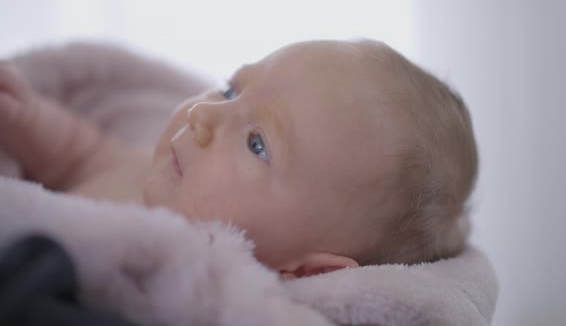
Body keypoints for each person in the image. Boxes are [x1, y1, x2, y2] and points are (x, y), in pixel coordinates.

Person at [0, 39, 477, 279]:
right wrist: (29, 120)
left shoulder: (203, 289)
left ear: (309, 272)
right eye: (231, 89)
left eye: (256, 144)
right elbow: (79, 156)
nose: (205, 113)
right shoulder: (154, 164)